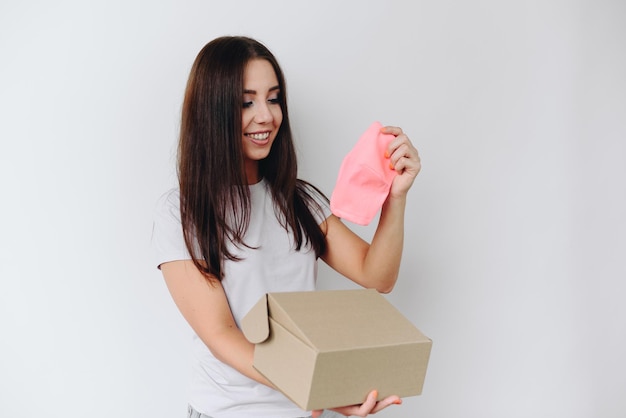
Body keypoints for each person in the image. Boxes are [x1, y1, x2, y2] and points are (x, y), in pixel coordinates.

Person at [152, 36, 421, 418]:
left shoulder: (300, 201)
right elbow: (222, 335)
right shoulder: (182, 213)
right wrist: (321, 388)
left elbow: (377, 276)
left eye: (273, 98)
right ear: (211, 111)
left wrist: (396, 196)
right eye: (246, 102)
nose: (266, 115)